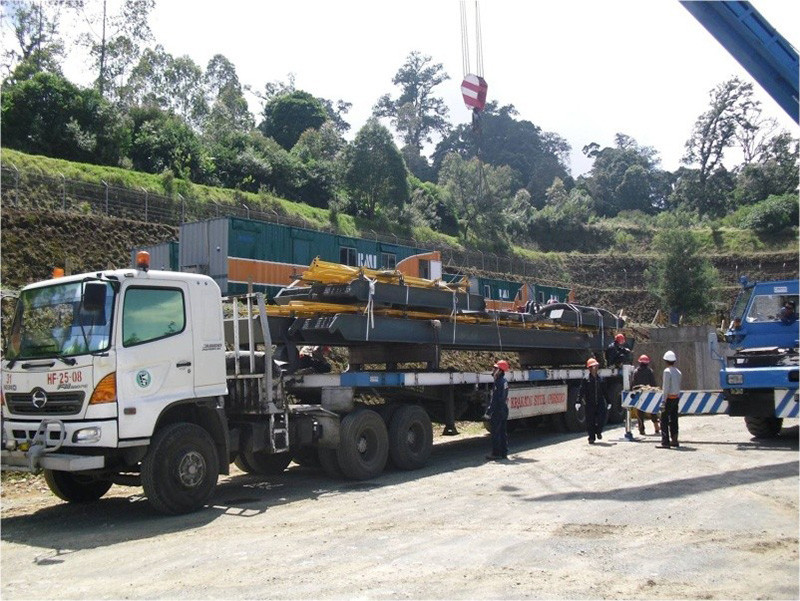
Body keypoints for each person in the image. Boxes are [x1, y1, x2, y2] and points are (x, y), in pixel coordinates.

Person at [485, 359, 509, 460]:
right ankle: (504, 452)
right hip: (504, 409)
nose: (493, 370)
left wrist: (489, 412)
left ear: (500, 370)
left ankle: (496, 453)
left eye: (495, 369)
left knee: (496, 432)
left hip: (498, 410)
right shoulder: (504, 381)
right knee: (503, 432)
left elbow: (495, 399)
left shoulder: (498, 382)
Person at [580, 357, 608, 444]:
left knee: (601, 419)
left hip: (600, 402)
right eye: (593, 367)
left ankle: (598, 431)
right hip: (590, 403)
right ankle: (591, 437)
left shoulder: (601, 379)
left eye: (596, 366)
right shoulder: (586, 380)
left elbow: (605, 391)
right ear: (589, 368)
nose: (595, 368)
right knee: (590, 421)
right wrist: (578, 401)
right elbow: (581, 391)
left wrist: (609, 401)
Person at [659, 350, 682, 449]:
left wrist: (663, 401)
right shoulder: (678, 372)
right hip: (676, 398)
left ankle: (665, 442)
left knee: (663, 420)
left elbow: (666, 388)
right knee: (674, 419)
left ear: (666, 361)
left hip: (669, 398)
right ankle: (674, 440)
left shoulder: (667, 372)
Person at [632, 354, 660, 435]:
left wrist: (632, 391)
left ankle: (641, 430)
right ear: (647, 363)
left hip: (640, 393)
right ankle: (656, 428)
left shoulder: (636, 372)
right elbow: (653, 383)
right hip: (649, 393)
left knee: (640, 412)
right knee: (653, 410)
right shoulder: (649, 371)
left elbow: (633, 383)